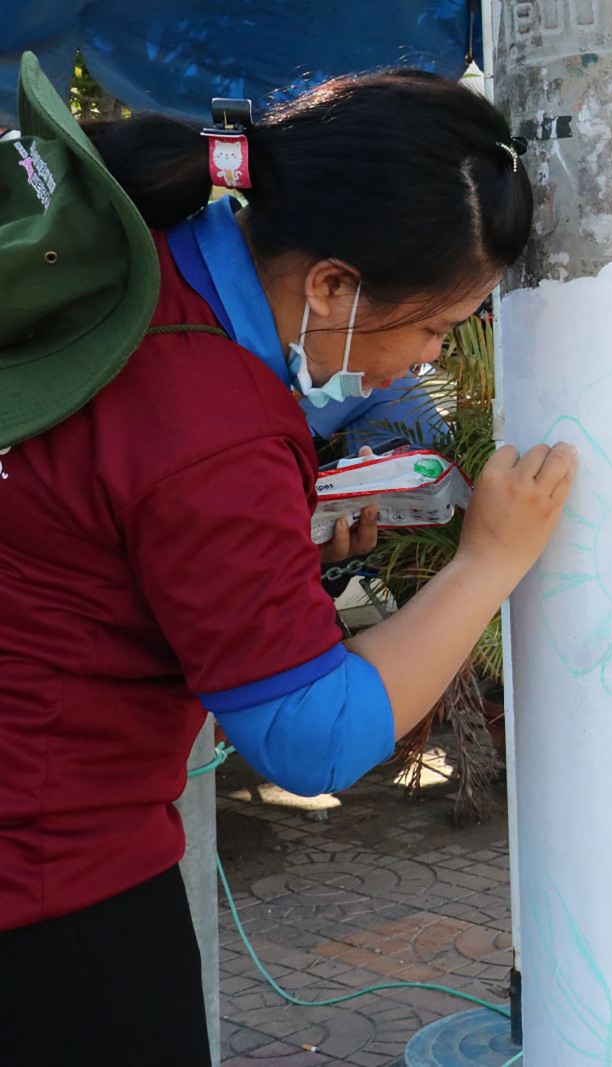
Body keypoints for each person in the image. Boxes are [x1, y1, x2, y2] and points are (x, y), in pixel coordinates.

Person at [0, 54, 575, 1064]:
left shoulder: (151, 265)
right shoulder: (212, 418)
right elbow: (311, 739)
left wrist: (278, 552)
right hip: (48, 880)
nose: (432, 358)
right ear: (333, 284)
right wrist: (489, 561)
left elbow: (112, 521)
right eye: (438, 325)